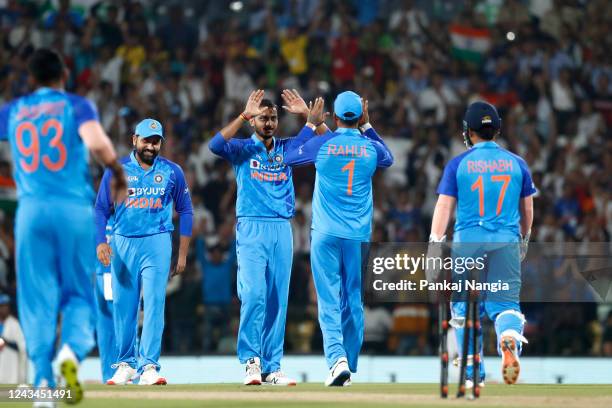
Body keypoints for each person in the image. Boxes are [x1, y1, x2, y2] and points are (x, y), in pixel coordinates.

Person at [0, 48, 126, 404]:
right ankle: (70, 353)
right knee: (78, 294)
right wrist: (117, 171)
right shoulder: (76, 105)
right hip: (73, 210)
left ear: (31, 78)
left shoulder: (14, 111)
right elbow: (97, 142)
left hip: (31, 213)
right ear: (63, 75)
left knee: (37, 300)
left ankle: (42, 384)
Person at [208, 89, 324, 386]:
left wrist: (308, 119)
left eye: (273, 118)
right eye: (263, 118)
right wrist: (243, 114)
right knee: (254, 294)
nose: (269, 122)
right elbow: (215, 144)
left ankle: (272, 367)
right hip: (251, 227)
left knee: (277, 299)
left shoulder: (287, 147)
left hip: (281, 228)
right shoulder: (243, 149)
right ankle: (251, 361)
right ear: (254, 122)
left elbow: (329, 143)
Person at [285, 92, 394, 386]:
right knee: (354, 300)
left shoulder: (323, 144)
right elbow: (388, 157)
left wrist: (309, 123)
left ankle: (337, 360)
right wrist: (368, 126)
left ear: (334, 117)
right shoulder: (370, 148)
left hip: (325, 234)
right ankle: (349, 360)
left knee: (329, 300)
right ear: (360, 117)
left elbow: (289, 156)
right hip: (357, 237)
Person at [429, 101, 536, 387]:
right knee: (505, 305)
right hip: (506, 242)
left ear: (468, 131)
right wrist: (523, 238)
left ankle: (472, 371)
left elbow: (443, 207)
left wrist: (435, 244)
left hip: (468, 243)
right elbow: (527, 210)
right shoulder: (518, 164)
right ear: (497, 129)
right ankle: (509, 337)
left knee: (463, 308)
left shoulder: (458, 164)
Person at [95, 118, 193, 385]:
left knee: (153, 304)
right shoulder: (116, 171)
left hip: (157, 242)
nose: (151, 145)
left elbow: (185, 210)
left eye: (156, 140)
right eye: (146, 140)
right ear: (134, 140)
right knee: (124, 307)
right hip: (123, 243)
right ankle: (126, 363)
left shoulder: (173, 172)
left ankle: (149, 366)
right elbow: (101, 209)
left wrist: (182, 254)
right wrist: (101, 242)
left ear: (161, 143)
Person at [94, 219, 116, 383]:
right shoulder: (94, 217)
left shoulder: (129, 211)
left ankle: (130, 371)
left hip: (123, 277)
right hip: (102, 275)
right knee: (105, 330)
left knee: (125, 326)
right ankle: (108, 376)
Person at [0, 294, 27, 384]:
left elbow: (21, 347)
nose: (5, 309)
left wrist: (6, 341)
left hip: (11, 368)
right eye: (2, 306)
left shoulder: (14, 324)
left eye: (6, 306)